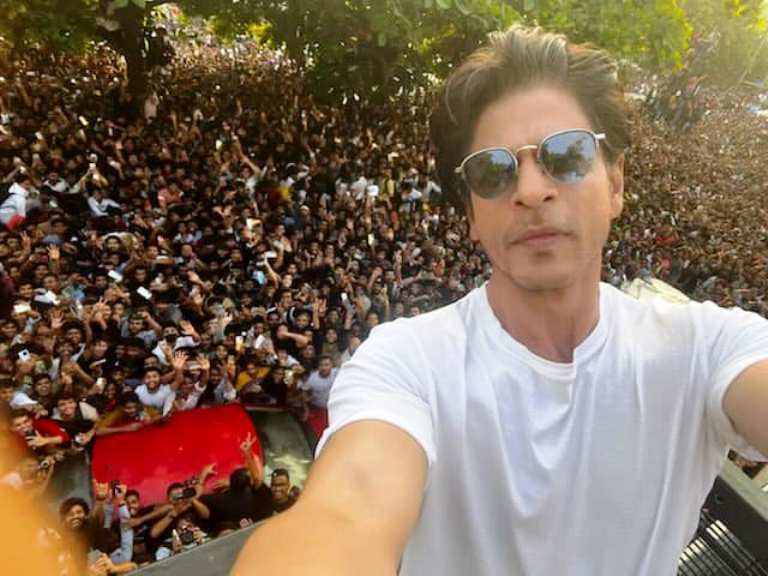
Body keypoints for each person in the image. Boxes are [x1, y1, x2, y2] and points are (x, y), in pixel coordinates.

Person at [234, 26, 768, 575]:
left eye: (567, 154)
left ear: (615, 182)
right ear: (470, 213)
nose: (531, 190)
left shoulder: (707, 347)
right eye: (494, 170)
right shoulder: (405, 365)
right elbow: (345, 514)